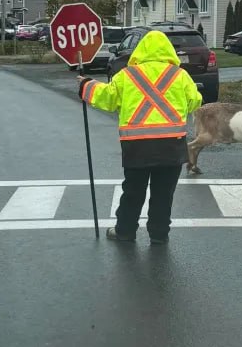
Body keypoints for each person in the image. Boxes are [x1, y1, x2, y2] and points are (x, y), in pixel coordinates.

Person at [78, 30, 202, 244]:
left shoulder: (128, 75)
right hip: (171, 147)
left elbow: (107, 98)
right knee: (163, 194)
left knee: (133, 192)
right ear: (169, 51)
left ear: (140, 51)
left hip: (137, 147)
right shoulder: (179, 76)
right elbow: (194, 101)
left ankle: (125, 231)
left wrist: (85, 85)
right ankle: (159, 234)